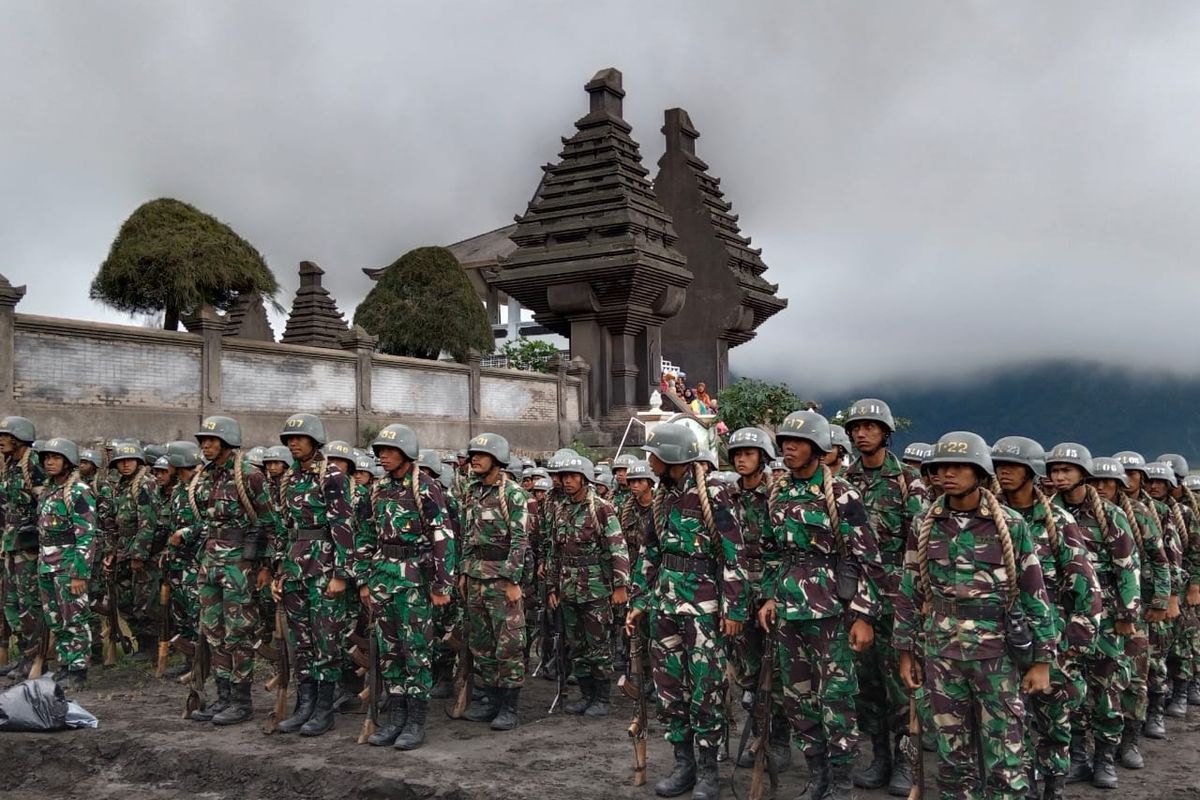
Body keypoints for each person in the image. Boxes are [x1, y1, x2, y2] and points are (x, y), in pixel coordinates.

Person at [895, 431, 1056, 799]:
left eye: (958, 466)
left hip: (997, 654)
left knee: (1006, 755)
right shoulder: (925, 522)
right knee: (953, 758)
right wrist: (905, 651)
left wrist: (1042, 660)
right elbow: (909, 589)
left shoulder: (1011, 524)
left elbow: (1035, 594)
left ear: (980, 472)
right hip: (941, 653)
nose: (947, 473)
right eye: (940, 467)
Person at [759, 411, 883, 799]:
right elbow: (770, 552)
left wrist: (864, 615)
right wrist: (767, 596)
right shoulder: (778, 492)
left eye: (796, 442)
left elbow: (868, 559)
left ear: (817, 448)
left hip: (831, 613)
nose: (788, 448)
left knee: (837, 699)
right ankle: (818, 776)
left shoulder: (842, 493)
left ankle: (842, 784)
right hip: (789, 612)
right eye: (784, 442)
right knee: (799, 699)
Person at [626, 422, 749, 800]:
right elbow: (650, 552)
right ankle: (684, 764)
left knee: (706, 688)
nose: (649, 461)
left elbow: (734, 554)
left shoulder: (714, 493)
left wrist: (734, 608)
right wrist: (639, 600)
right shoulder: (663, 497)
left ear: (672, 456)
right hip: (665, 603)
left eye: (653, 455)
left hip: (704, 606)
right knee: (669, 687)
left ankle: (709, 770)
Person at [992, 436, 1100, 799]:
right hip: (999, 637)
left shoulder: (1057, 521)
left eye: (1013, 466)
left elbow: (1086, 589)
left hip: (1049, 635)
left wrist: (1070, 648)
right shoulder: (986, 516)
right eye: (999, 465)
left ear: (1032, 471)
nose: (1003, 472)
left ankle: (1054, 788)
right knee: (1008, 723)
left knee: (1054, 724)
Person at [1046, 442, 1140, 789]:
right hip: (1063, 616)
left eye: (1066, 471)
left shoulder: (1109, 515)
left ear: (1083, 474)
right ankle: (1077, 757)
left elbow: (1127, 568)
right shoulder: (1047, 513)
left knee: (1105, 688)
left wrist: (1127, 614)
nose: (1059, 477)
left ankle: (1104, 758)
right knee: (1068, 689)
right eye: (1054, 471)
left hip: (1105, 616)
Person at [355, 424, 455, 750]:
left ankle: (415, 721)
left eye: (388, 450)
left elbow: (442, 537)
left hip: (414, 578)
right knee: (389, 652)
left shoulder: (426, 488)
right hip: (383, 577)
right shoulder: (377, 489)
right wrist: (365, 579)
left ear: (406, 453)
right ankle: (396, 716)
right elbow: (366, 534)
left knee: (416, 651)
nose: (381, 455)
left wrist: (442, 584)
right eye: (379, 451)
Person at [843, 398, 924, 794]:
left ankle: (907, 763)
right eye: (856, 427)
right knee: (865, 684)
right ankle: (880, 758)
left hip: (897, 595)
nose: (861, 433)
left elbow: (921, 544)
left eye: (870, 427)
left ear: (885, 433)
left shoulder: (909, 481)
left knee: (901, 685)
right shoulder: (843, 481)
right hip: (853, 592)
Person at [190, 415, 279, 726]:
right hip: (211, 563)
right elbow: (205, 519)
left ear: (228, 442)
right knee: (213, 632)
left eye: (212, 441)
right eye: (203, 441)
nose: (207, 446)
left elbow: (270, 523)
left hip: (240, 564)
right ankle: (223, 695)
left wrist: (266, 566)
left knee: (237, 632)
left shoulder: (250, 476)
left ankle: (242, 700)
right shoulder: (205, 476)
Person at [271, 414, 356, 736]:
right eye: (289, 438)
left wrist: (340, 574)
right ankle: (303, 705)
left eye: (299, 438)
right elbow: (285, 528)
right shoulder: (289, 479)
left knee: (326, 639)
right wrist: (280, 569)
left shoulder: (332, 475)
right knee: (301, 640)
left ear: (315, 440)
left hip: (323, 566)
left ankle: (323, 708)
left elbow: (343, 525)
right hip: (296, 568)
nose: (293, 442)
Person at [1092, 455, 1171, 772]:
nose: (1101, 488)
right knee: (1095, 681)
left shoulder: (1138, 514)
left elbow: (1160, 557)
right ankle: (1093, 752)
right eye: (1095, 482)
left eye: (1107, 482)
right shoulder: (1070, 516)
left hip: (1131, 607)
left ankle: (1129, 742)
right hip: (1091, 610)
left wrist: (1163, 599)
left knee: (1135, 678)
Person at [726, 426, 793, 772]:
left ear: (764, 458)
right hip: (737, 594)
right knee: (748, 671)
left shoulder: (780, 496)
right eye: (737, 453)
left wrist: (771, 595)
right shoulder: (725, 497)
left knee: (777, 671)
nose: (741, 459)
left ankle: (779, 740)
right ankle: (758, 730)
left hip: (773, 593)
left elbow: (785, 551)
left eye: (749, 453)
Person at [545, 453, 629, 716]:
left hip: (595, 588)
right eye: (563, 477)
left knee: (598, 643)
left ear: (584, 478)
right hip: (568, 587)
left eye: (572, 476)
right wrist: (551, 587)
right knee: (576, 644)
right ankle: (585, 694)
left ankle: (601, 698)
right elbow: (554, 551)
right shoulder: (561, 509)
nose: (566, 481)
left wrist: (620, 586)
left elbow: (618, 547)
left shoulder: (602, 508)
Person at [459, 433, 530, 731]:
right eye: (473, 454)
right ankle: (489, 701)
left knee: (508, 642)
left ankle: (509, 707)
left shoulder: (512, 493)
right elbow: (466, 533)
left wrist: (513, 579)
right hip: (476, 575)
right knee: (481, 642)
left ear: (497, 459)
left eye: (481, 455)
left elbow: (520, 539)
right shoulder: (472, 491)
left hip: (501, 577)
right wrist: (463, 571)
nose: (474, 458)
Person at [1115, 452, 1182, 741]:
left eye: (1134, 473)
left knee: (1152, 659)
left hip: (1146, 595)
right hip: (1111, 601)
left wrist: (1168, 596)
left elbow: (1170, 556)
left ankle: (1152, 713)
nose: (1128, 478)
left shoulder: (1152, 512)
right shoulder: (1098, 512)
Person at [35, 438, 96, 690]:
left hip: (68, 564)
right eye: (47, 457)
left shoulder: (79, 490)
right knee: (55, 618)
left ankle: (78, 670)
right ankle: (65, 665)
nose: (49, 462)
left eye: (56, 457)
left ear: (68, 461)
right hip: (46, 563)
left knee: (75, 618)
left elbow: (87, 533)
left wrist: (79, 573)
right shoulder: (49, 490)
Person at [0, 416, 45, 679]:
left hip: (29, 545)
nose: (2, 440)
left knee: (30, 602)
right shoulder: (11, 465)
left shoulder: (34, 463)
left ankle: (35, 658)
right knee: (12, 601)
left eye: (6, 435)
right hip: (11, 542)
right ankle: (23, 657)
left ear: (18, 437)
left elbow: (47, 499)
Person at [108, 441, 160, 658]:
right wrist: (111, 551)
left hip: (141, 551)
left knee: (144, 600)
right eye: (121, 462)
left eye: (130, 460)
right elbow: (113, 520)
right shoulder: (120, 486)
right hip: (122, 548)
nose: (125, 465)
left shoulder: (145, 483)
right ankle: (141, 640)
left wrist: (139, 554)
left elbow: (148, 522)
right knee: (124, 599)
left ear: (138, 461)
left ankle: (152, 644)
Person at [160, 441, 205, 679]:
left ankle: (201, 663)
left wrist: (185, 534)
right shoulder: (179, 490)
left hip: (196, 563)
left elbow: (212, 521)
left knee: (197, 614)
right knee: (181, 615)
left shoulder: (201, 488)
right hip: (178, 562)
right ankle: (190, 660)